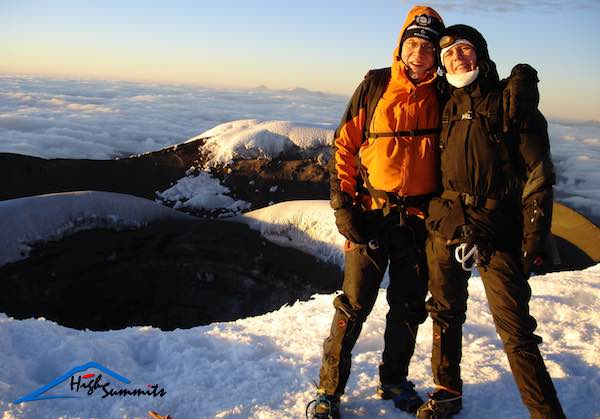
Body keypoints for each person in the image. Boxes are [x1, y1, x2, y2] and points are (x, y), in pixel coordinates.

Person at [416, 25, 565, 419]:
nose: (457, 59)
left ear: (480, 54)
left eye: (464, 51)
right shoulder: (445, 104)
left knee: (515, 331)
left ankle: (546, 413)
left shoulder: (509, 103)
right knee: (445, 312)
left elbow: (538, 174)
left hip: (499, 228)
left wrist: (535, 236)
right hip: (447, 225)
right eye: (449, 55)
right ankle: (447, 392)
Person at [307, 6, 446, 419]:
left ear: (437, 54)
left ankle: (395, 381)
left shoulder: (444, 96)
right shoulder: (376, 85)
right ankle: (328, 392)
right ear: (401, 46)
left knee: (408, 305)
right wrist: (343, 207)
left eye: (427, 46)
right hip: (371, 212)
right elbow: (344, 147)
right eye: (412, 43)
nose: (419, 52)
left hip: (418, 220)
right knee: (353, 306)